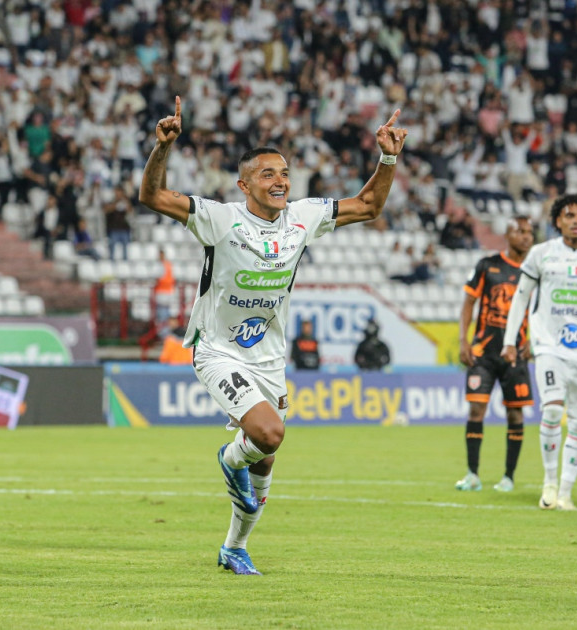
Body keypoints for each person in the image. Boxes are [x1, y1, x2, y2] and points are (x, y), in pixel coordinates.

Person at [138, 96, 408, 575]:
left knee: (264, 464)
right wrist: (162, 149)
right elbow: (154, 198)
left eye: (283, 172)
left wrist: (387, 157)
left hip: (268, 358)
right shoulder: (221, 219)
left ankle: (233, 547)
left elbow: (368, 204)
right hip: (217, 350)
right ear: (244, 185)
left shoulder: (303, 218)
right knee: (268, 433)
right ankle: (228, 457)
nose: (280, 180)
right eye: (267, 174)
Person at [502, 194, 577, 511]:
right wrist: (509, 340)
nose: (575, 220)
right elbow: (520, 297)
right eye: (568, 214)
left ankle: (566, 493)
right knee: (554, 410)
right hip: (548, 346)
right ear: (557, 220)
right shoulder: (541, 255)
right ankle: (549, 483)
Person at [456, 216, 536, 493]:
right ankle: (472, 474)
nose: (526, 237)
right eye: (520, 231)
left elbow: (543, 310)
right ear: (508, 234)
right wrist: (463, 340)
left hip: (516, 356)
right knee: (476, 409)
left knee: (515, 415)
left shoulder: (536, 272)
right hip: (484, 352)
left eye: (529, 232)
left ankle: (509, 477)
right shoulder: (488, 265)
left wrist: (535, 341)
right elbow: (469, 302)